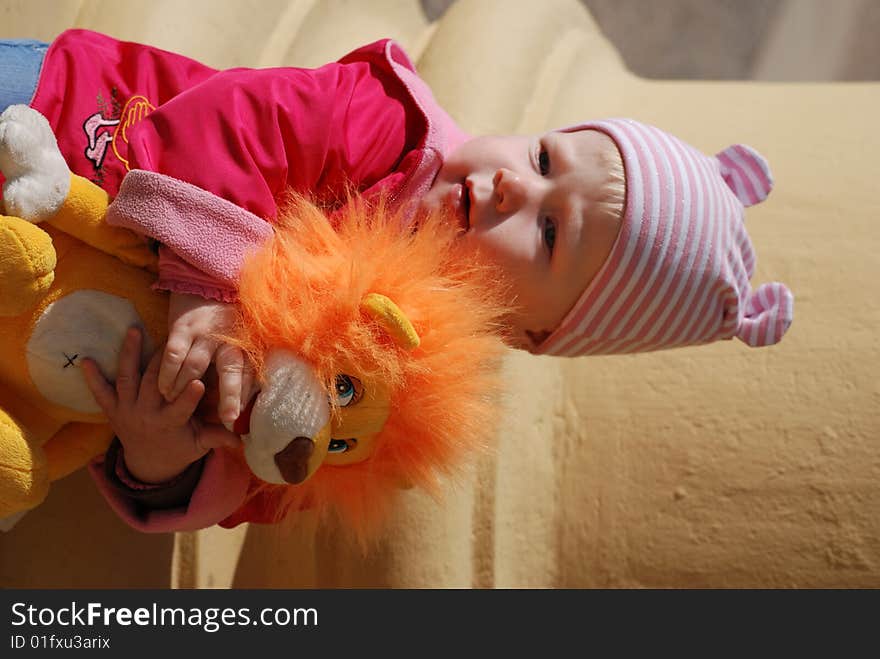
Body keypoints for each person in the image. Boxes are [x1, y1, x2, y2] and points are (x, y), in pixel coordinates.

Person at [0, 30, 793, 532]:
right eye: (546, 158)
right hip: (56, 118)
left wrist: (161, 454)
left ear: (529, 333)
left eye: (550, 232)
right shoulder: (389, 126)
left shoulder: (388, 395)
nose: (518, 185)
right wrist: (205, 285)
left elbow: (273, 480)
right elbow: (235, 123)